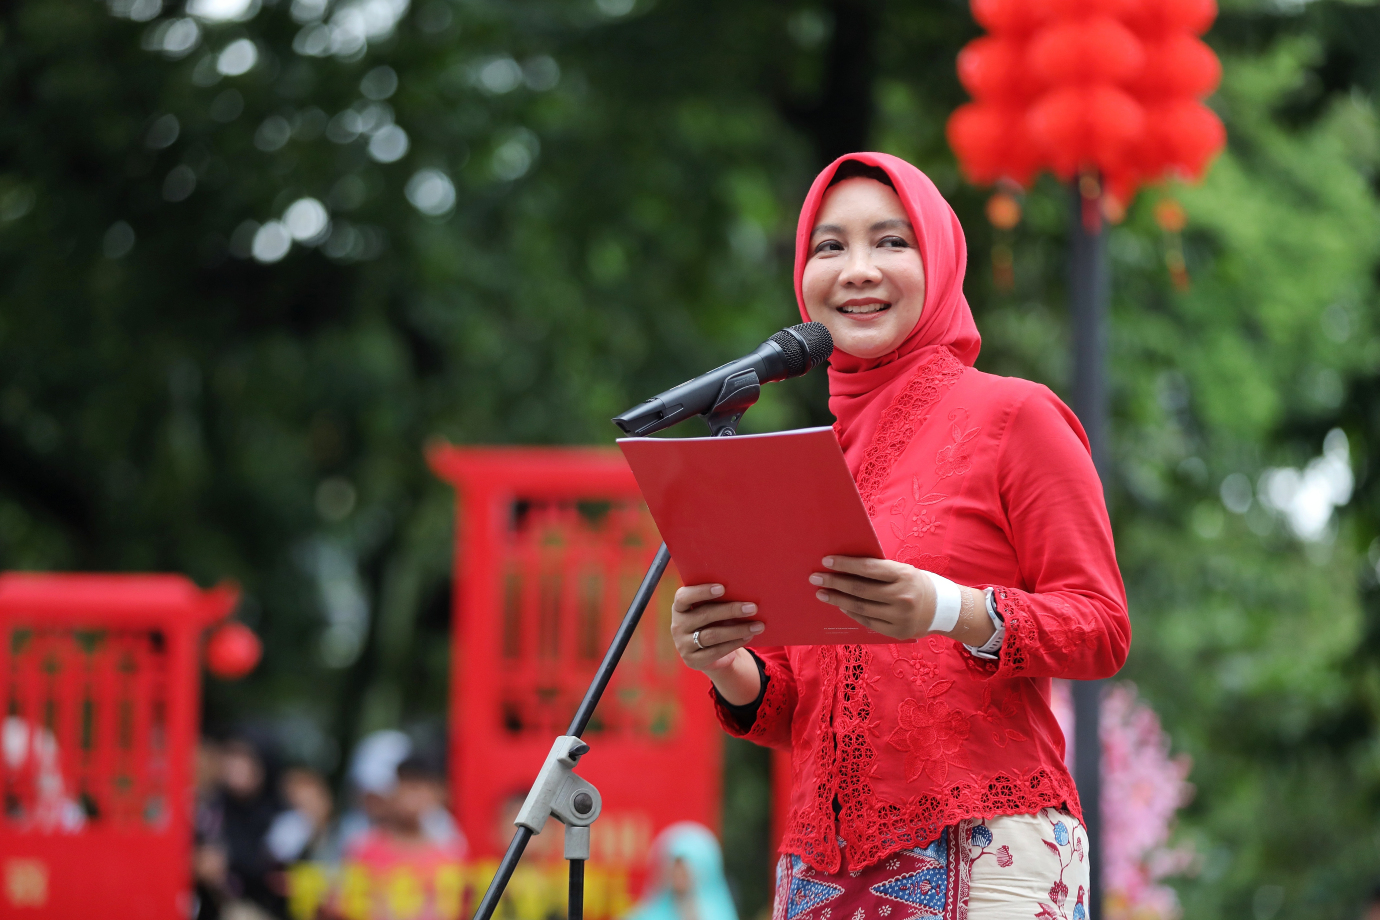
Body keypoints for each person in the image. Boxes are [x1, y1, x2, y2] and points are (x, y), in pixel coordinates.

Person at [669, 153, 1130, 920]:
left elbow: (1101, 627)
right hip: (818, 871)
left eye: (890, 242)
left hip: (989, 853)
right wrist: (727, 665)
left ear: (941, 261)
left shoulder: (1015, 417)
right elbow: (799, 700)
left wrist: (949, 609)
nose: (857, 270)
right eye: (829, 246)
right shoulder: (811, 460)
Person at [623, 823, 738, 920]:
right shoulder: (646, 914)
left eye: (684, 872)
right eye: (674, 870)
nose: (678, 877)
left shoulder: (718, 915)